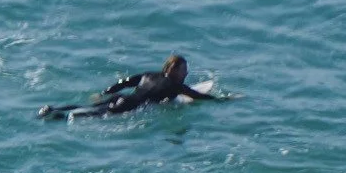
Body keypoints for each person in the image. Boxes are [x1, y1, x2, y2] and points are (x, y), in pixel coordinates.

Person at [40, 54, 224, 121]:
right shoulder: (175, 86)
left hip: (122, 97)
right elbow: (198, 96)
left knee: (95, 106)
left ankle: (54, 109)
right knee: (96, 115)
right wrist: (224, 99)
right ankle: (62, 117)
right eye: (184, 70)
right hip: (131, 106)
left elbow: (125, 82)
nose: (186, 74)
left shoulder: (148, 74)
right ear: (173, 71)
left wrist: (105, 92)